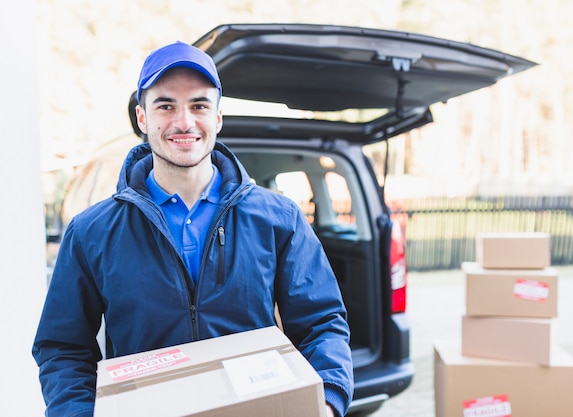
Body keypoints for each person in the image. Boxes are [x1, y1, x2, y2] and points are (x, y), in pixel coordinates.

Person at [33, 41, 353, 417]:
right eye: (165, 105)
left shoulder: (279, 218)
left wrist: (327, 401)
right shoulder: (92, 232)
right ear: (142, 118)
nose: (184, 122)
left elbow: (322, 324)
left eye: (199, 105)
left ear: (217, 117)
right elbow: (63, 347)